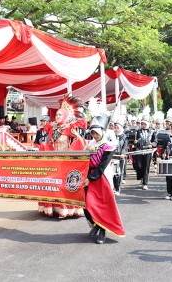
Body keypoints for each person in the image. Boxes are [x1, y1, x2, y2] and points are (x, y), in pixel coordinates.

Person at [38, 96, 87, 218]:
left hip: (67, 161)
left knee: (65, 186)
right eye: (57, 114)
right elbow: (50, 144)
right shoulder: (52, 127)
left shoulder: (69, 128)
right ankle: (55, 208)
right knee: (54, 184)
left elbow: (80, 142)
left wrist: (76, 141)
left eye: (60, 115)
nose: (57, 116)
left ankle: (68, 209)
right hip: (54, 161)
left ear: (65, 116)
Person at [84, 112, 125, 244]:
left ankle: (102, 230)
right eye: (92, 133)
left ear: (102, 131)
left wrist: (90, 178)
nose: (95, 136)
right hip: (88, 176)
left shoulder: (108, 145)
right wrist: (87, 151)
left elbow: (102, 166)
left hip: (101, 178)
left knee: (101, 205)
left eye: (96, 133)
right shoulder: (90, 144)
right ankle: (95, 223)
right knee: (86, 204)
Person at [134, 112, 156, 190]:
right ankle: (141, 179)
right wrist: (136, 142)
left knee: (146, 166)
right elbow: (136, 140)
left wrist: (152, 145)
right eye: (142, 124)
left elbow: (155, 141)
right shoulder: (138, 131)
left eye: (144, 124)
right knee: (138, 165)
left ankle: (145, 183)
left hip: (148, 151)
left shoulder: (152, 131)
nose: (143, 125)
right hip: (139, 150)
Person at [113, 118, 128, 195]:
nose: (115, 129)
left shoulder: (124, 136)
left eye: (117, 128)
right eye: (115, 127)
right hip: (112, 156)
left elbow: (125, 147)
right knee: (112, 173)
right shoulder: (111, 136)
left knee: (119, 173)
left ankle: (118, 188)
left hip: (120, 157)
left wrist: (123, 153)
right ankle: (113, 187)